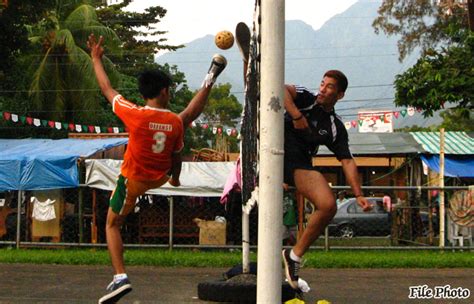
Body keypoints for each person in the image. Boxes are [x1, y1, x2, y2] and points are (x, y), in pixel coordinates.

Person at [87, 34, 227, 304]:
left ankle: (120, 277)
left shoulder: (134, 114)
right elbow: (177, 156)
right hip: (159, 178)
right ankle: (210, 77)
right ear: (165, 91)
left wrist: (96, 58)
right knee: (187, 116)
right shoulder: (174, 123)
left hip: (133, 180)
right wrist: (174, 179)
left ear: (143, 94)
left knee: (111, 224)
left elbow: (107, 89)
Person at [281, 70, 372, 290]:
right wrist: (296, 115)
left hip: (296, 164)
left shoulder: (334, 126)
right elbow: (278, 88)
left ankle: (293, 256)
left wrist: (358, 194)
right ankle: (249, 60)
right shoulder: (304, 97)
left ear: (339, 95)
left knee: (328, 205)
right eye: (322, 84)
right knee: (257, 90)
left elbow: (347, 161)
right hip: (269, 149)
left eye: (329, 86)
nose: (322, 89)